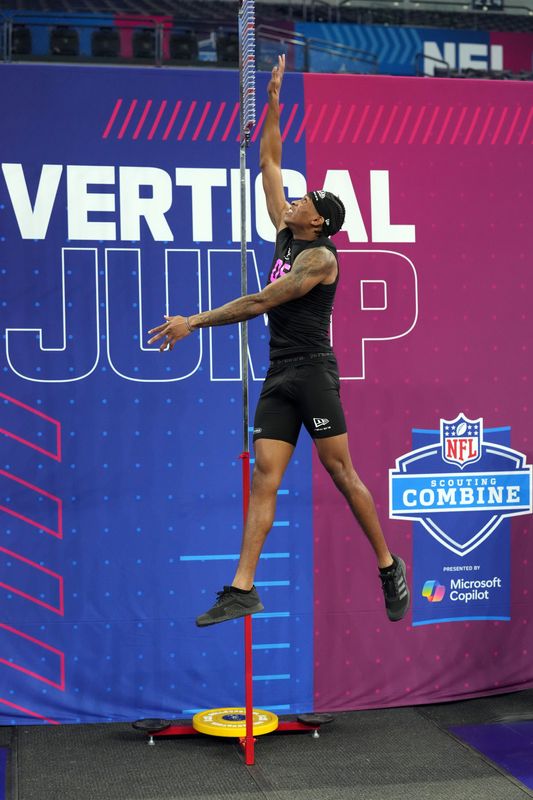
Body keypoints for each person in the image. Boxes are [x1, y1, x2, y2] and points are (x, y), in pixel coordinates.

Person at [148, 55, 409, 627]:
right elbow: (270, 159)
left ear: (319, 221)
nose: (297, 198)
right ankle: (242, 588)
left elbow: (261, 302)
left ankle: (389, 564)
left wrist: (193, 321)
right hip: (278, 374)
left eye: (308, 200)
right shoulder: (287, 229)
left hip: (314, 372)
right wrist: (272, 103)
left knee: (342, 475)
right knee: (264, 476)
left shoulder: (317, 257)